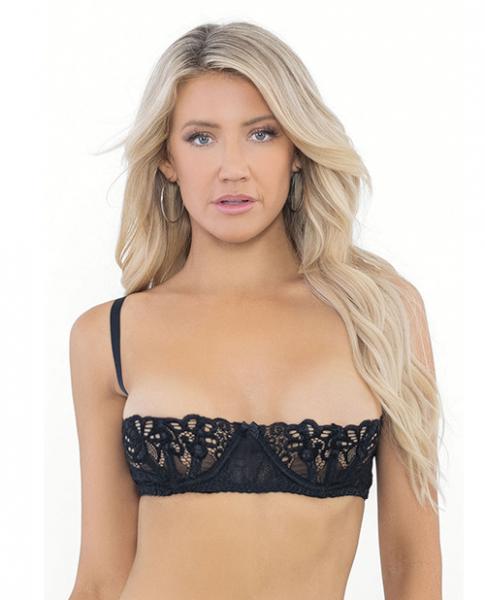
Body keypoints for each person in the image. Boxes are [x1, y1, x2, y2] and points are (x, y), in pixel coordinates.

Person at [67, 21, 444, 600]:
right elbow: (99, 579)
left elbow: (411, 561)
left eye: (261, 133)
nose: (233, 167)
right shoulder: (109, 335)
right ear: (166, 158)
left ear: (296, 150)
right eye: (201, 138)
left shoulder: (380, 315)